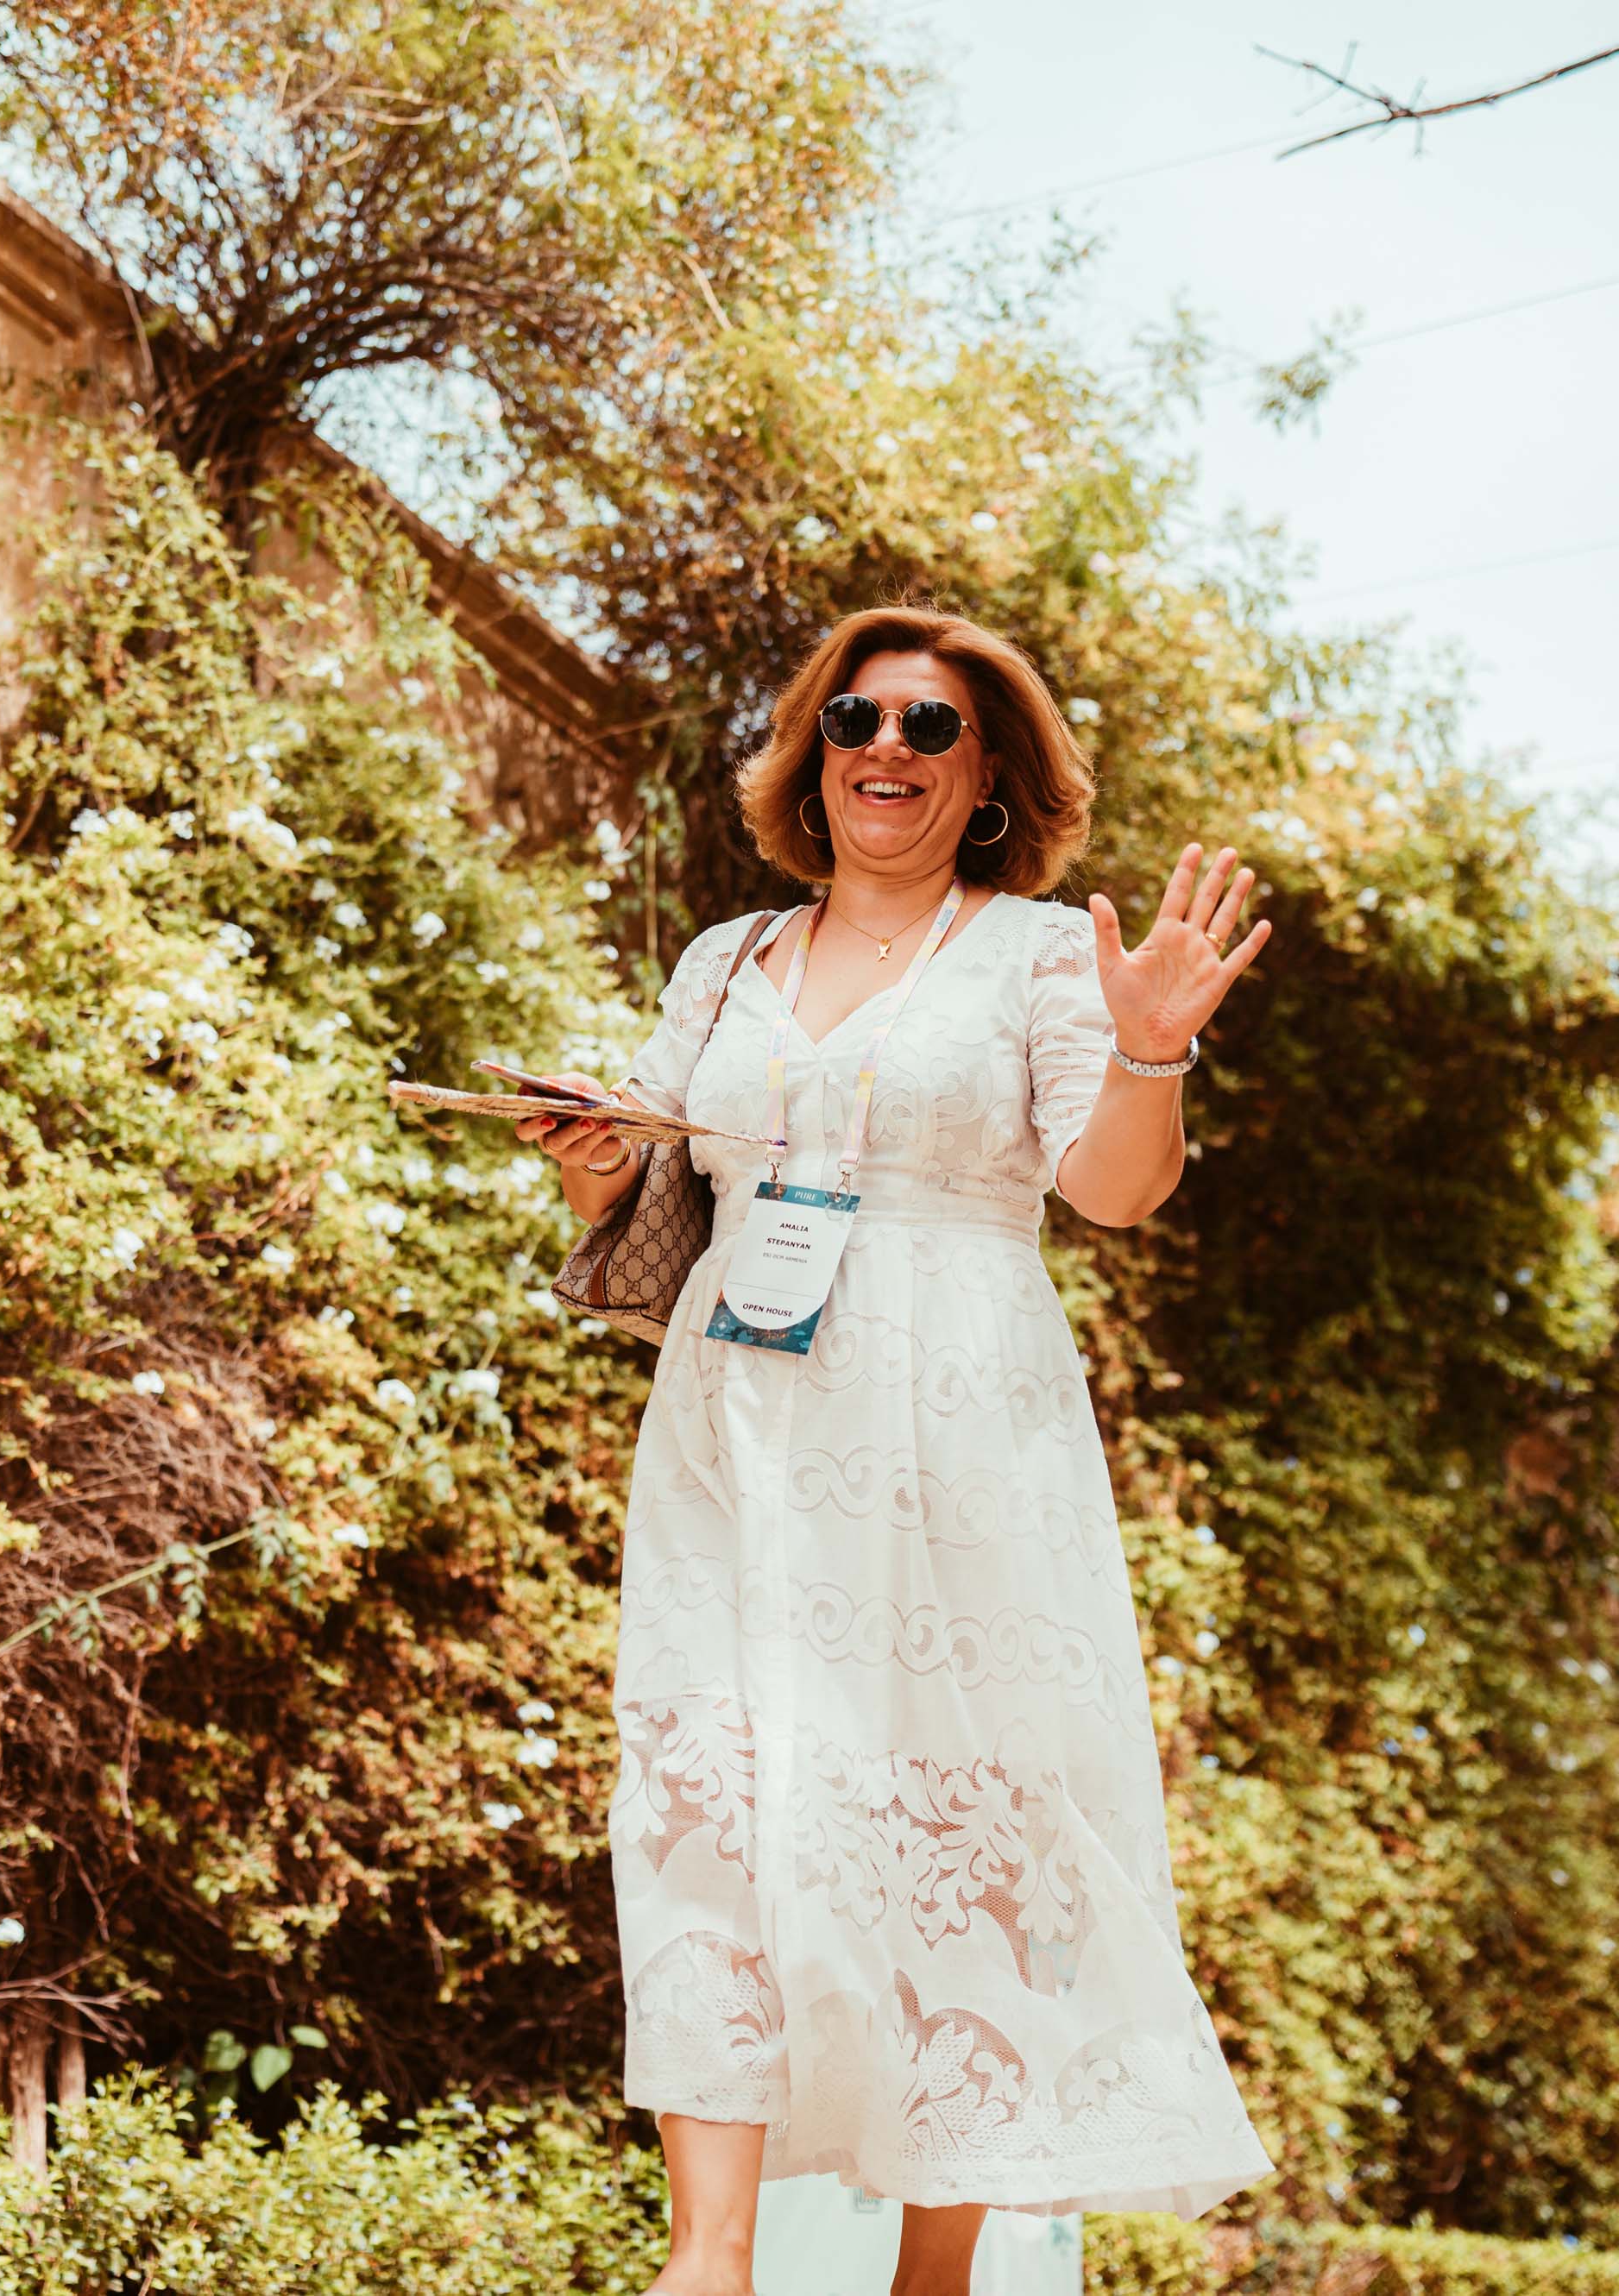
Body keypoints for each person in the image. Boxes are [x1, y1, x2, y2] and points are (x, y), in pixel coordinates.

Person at [517, 607, 1277, 2296]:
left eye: (930, 728)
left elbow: (1112, 1188)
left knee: (962, 1814)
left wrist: (1149, 1042)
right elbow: (648, 1171)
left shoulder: (1037, 956)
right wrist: (588, 1155)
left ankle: (931, 2273)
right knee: (707, 1791)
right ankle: (707, 2260)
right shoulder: (724, 961)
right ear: (814, 753)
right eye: (855, 717)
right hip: (736, 1421)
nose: (885, 746)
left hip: (961, 1426)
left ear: (985, 773)